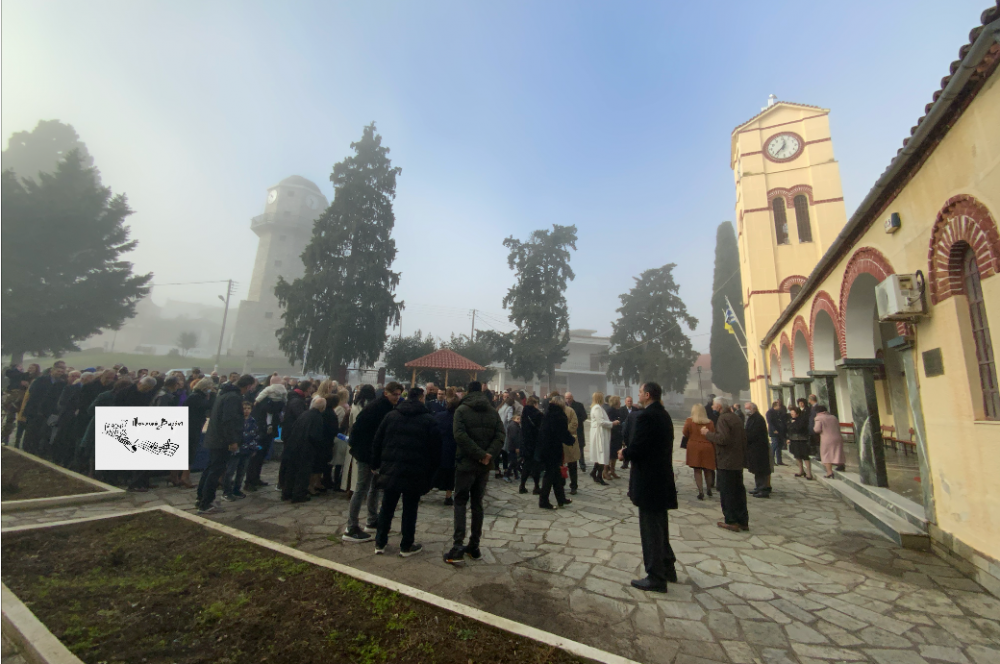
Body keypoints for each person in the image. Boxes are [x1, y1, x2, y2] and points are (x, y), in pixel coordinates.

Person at [619, 382, 677, 593]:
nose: (638, 395)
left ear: (648, 395)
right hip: (661, 478)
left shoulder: (646, 417)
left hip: (649, 480)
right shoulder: (664, 415)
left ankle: (655, 576)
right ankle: (668, 567)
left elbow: (640, 447)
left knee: (650, 529)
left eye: (641, 392)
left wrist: (625, 453)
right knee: (661, 525)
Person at [371, 388, 441, 557]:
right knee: (410, 509)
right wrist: (432, 473)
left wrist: (376, 465)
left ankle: (380, 542)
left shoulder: (391, 416)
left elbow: (377, 441)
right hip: (415, 471)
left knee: (387, 506)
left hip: (391, 468)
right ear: (422, 398)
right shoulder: (428, 420)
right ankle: (406, 545)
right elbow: (436, 449)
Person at [445, 381, 505, 565]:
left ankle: (457, 546)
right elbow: (500, 435)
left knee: (461, 502)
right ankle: (474, 546)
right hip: (484, 466)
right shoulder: (493, 412)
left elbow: (460, 435)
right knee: (477, 504)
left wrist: (479, 454)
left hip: (466, 463)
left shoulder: (461, 411)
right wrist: (488, 455)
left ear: (467, 392)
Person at [342, 382, 402, 543]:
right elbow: (361, 429)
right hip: (366, 453)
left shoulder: (386, 408)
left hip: (374, 453)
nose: (397, 397)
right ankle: (351, 526)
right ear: (386, 393)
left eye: (399, 394)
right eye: (394, 394)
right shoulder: (377, 408)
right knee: (361, 487)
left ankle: (372, 518)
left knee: (375, 486)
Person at [198, 374, 255, 513]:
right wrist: (233, 441)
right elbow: (229, 421)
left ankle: (201, 498)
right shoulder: (233, 398)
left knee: (210, 469)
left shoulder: (224, 394)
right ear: (248, 386)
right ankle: (206, 503)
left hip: (215, 438)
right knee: (215, 471)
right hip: (222, 440)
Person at [703, 397, 749, 532]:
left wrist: (708, 434)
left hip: (726, 461)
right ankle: (742, 520)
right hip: (737, 461)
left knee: (727, 492)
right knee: (738, 492)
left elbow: (723, 439)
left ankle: (731, 520)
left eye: (713, 406)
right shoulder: (736, 418)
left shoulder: (723, 419)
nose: (712, 408)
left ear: (719, 407)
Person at [281, 397, 327, 503]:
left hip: (293, 446)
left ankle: (287, 493)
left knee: (291, 471)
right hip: (306, 449)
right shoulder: (317, 417)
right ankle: (299, 494)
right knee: (303, 473)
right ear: (323, 407)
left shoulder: (304, 414)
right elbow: (315, 435)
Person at [245, 376, 286, 490]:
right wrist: (279, 403)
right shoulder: (264, 395)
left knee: (261, 456)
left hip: (268, 429)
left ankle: (256, 478)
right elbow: (269, 409)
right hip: (261, 429)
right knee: (255, 456)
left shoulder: (274, 396)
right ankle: (249, 481)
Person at [535, 394, 575, 510]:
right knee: (550, 475)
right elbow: (562, 433)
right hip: (552, 449)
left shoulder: (548, 414)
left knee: (556, 475)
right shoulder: (559, 416)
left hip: (545, 448)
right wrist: (571, 440)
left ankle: (561, 498)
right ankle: (543, 501)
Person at [223, 400, 258, 501]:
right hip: (236, 450)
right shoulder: (237, 420)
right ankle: (227, 491)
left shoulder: (252, 421)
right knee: (230, 471)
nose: (246, 411)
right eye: (244, 408)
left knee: (241, 471)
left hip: (247, 449)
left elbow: (255, 435)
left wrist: (254, 448)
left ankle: (236, 489)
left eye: (248, 408)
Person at [683, 404, 716, 500]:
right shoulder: (710, 422)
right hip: (707, 446)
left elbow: (685, 432)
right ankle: (709, 488)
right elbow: (712, 434)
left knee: (697, 470)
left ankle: (701, 491)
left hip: (694, 447)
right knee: (708, 469)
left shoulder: (690, 421)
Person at [433, 395, 460, 505]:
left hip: (438, 447)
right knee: (450, 473)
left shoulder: (439, 416)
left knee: (434, 470)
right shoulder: (458, 419)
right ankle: (448, 496)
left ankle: (423, 490)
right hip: (453, 448)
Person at [744, 402, 771, 498]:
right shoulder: (752, 418)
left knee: (761, 469)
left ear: (753, 408)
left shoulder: (758, 419)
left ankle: (763, 489)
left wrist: (746, 437)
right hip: (753, 448)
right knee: (756, 469)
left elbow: (755, 433)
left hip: (759, 448)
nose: (746, 410)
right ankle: (758, 487)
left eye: (747, 408)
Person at [588, 392, 614, 486]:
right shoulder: (597, 408)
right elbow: (601, 422)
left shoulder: (598, 407)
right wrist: (612, 423)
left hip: (600, 433)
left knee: (600, 455)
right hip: (600, 434)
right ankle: (599, 475)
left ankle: (594, 472)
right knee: (602, 454)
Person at [518, 395, 543, 495]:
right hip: (535, 442)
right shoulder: (538, 414)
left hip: (525, 442)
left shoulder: (524, 413)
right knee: (536, 465)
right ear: (535, 403)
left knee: (526, 465)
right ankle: (536, 487)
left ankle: (522, 485)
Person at [813, 405, 845, 478]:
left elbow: (817, 429)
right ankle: (841, 465)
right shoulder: (833, 417)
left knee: (826, 454)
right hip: (837, 437)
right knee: (838, 452)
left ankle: (829, 472)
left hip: (826, 438)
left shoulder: (819, 418)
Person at [787, 406, 814, 480]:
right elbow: (789, 429)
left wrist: (793, 424)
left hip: (802, 440)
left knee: (805, 456)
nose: (791, 415)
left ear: (797, 414)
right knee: (797, 456)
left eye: (793, 413)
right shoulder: (791, 420)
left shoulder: (802, 420)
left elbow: (799, 428)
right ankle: (801, 470)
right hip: (794, 440)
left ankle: (809, 473)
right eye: (791, 413)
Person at [565, 391, 588, 472]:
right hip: (567, 430)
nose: (568, 400)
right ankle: (568, 464)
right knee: (567, 448)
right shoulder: (563, 406)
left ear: (572, 397)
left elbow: (584, 416)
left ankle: (582, 465)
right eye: (566, 398)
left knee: (580, 447)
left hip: (578, 430)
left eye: (569, 398)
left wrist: (576, 422)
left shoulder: (579, 405)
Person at [605, 395, 625, 480]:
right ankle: (605, 471)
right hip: (612, 435)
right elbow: (608, 422)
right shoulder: (610, 411)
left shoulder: (619, 411)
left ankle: (612, 470)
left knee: (615, 455)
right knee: (609, 454)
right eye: (619, 401)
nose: (620, 403)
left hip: (618, 435)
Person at [766, 400, 787, 466]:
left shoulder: (779, 412)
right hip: (773, 431)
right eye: (778, 405)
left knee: (779, 445)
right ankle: (772, 460)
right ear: (775, 406)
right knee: (774, 444)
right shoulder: (770, 412)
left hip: (780, 430)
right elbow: (770, 422)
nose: (780, 407)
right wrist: (774, 429)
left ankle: (779, 460)